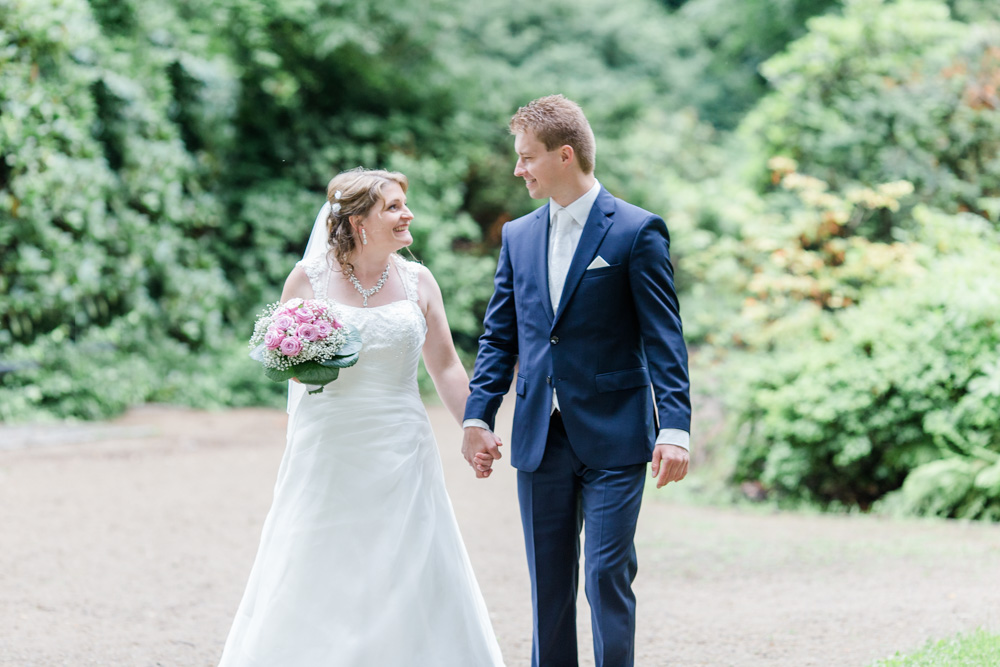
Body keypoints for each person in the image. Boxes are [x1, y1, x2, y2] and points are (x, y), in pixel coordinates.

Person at [219, 168, 505, 666]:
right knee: (320, 556)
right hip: (328, 443)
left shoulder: (420, 280)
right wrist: (304, 356)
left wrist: (474, 425)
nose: (407, 214)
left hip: (401, 443)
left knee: (408, 560)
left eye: (403, 204)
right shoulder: (308, 278)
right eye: (392, 207)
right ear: (356, 222)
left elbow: (445, 365)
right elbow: (286, 367)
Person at [462, 95, 691, 667]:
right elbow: (499, 337)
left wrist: (677, 428)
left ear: (565, 155)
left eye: (526, 158)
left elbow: (665, 339)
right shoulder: (517, 237)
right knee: (549, 585)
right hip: (541, 437)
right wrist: (477, 415)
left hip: (615, 433)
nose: (518, 170)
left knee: (606, 573)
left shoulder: (638, 231)